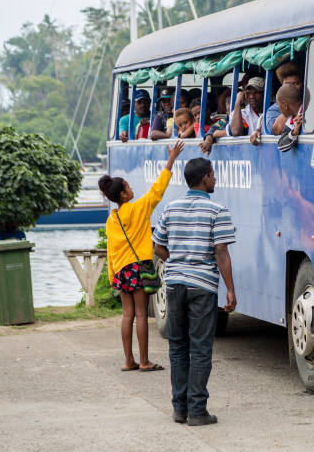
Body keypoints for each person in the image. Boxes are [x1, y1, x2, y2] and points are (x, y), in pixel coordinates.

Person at [152, 158, 237, 426]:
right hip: (203, 287)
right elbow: (221, 251)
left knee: (178, 348)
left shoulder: (170, 208)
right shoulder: (217, 210)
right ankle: (198, 411)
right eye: (213, 175)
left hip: (175, 285)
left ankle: (180, 409)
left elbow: (158, 248)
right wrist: (231, 290)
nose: (215, 179)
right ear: (204, 179)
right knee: (200, 349)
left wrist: (178, 260)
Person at [99, 140, 185, 373]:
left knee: (127, 315)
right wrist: (171, 159)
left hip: (122, 271)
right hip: (139, 269)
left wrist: (112, 274)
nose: (132, 188)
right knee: (140, 314)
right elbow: (158, 188)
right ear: (124, 194)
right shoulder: (139, 208)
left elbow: (111, 250)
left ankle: (129, 361)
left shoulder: (112, 219)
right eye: (128, 186)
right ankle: (144, 361)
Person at [265, 62, 304, 135]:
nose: (291, 87)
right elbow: (277, 129)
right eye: (287, 84)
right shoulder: (274, 109)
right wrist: (292, 107)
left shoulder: (309, 103)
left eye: (295, 83)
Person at [275, 84, 304, 152]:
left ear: (285, 104)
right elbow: (281, 145)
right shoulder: (292, 119)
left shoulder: (308, 113)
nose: (279, 109)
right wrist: (294, 132)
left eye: (279, 105)